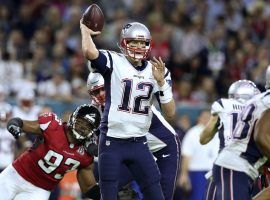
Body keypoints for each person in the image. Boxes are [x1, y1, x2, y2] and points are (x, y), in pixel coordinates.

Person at [80, 20, 175, 200]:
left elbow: (170, 113)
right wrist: (85, 31)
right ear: (124, 43)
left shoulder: (158, 71)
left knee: (156, 194)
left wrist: (161, 83)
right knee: (108, 193)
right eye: (134, 42)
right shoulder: (114, 61)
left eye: (142, 42)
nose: (138, 46)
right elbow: (89, 52)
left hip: (139, 142)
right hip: (112, 142)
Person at [85, 72, 180, 200]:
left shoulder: (128, 99)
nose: (101, 94)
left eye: (104, 88)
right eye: (96, 92)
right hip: (135, 149)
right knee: (102, 191)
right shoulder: (96, 111)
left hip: (163, 149)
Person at [0, 104, 101, 200]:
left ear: (92, 131)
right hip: (16, 175)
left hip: (39, 190)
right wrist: (15, 124)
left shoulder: (86, 155)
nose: (83, 127)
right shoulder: (53, 126)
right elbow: (21, 123)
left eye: (88, 126)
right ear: (73, 118)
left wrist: (111, 192)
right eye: (81, 121)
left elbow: (89, 188)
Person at [211, 67, 270, 200]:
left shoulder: (262, 99)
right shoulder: (267, 101)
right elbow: (261, 136)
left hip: (244, 166)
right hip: (236, 165)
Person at [199, 80, 261, 200]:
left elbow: (203, 139)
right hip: (248, 168)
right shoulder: (259, 110)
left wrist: (218, 124)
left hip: (221, 166)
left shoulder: (223, 104)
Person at [179, 110, 219, 200]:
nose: (207, 119)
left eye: (209, 117)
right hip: (197, 173)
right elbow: (186, 155)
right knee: (198, 197)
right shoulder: (192, 133)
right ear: (199, 118)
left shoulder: (218, 132)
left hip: (215, 172)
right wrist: (184, 175)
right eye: (204, 117)